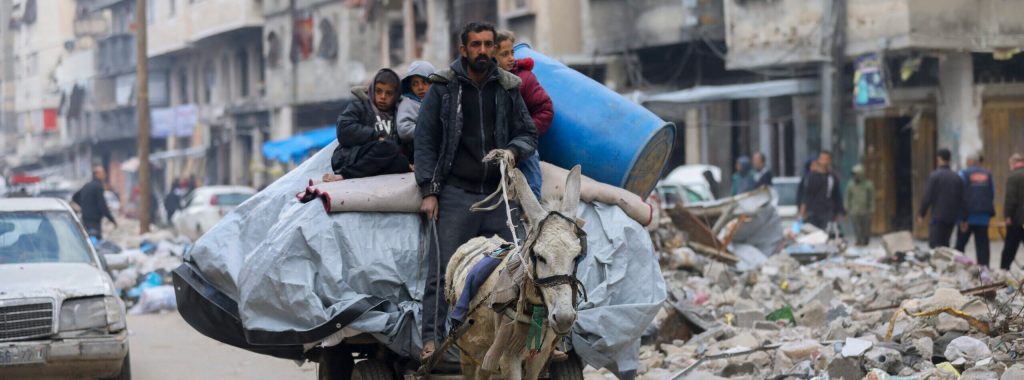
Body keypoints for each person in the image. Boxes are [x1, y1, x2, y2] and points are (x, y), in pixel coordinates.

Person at [414, 21, 538, 360]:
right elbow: (425, 142)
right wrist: (429, 191)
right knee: (442, 272)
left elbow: (528, 133)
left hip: (498, 195)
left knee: (525, 268)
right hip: (456, 194)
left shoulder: (508, 87)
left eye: (487, 44)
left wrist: (512, 150)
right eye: (475, 45)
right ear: (463, 49)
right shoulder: (443, 87)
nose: (482, 51)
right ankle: (431, 341)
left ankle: (535, 342)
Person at [495, 30, 553, 199]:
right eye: (504, 54)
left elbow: (545, 110)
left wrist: (525, 132)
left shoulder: (525, 79)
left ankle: (534, 207)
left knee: (531, 173)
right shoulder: (487, 83)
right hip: (497, 145)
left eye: (512, 53)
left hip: (521, 142)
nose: (511, 58)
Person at [324, 68, 409, 182]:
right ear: (372, 90)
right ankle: (345, 175)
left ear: (396, 95)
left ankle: (365, 171)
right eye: (378, 91)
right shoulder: (359, 107)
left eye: (388, 93)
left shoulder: (400, 113)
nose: (383, 97)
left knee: (401, 162)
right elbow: (343, 129)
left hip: (385, 159)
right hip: (354, 157)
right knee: (389, 147)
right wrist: (375, 136)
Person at [918, 148, 965, 248]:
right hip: (951, 217)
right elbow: (962, 199)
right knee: (945, 244)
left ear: (939, 159)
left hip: (937, 217)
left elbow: (927, 196)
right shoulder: (957, 177)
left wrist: (922, 213)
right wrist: (963, 218)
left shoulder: (934, 176)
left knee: (934, 245)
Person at [955, 153, 995, 267]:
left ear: (969, 161)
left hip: (967, 217)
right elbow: (992, 193)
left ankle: (958, 267)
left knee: (960, 245)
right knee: (982, 245)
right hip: (983, 217)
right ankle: (984, 269)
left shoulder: (963, 174)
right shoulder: (987, 174)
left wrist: (961, 218)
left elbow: (959, 195)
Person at [396, 60, 436, 160]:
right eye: (415, 84)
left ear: (433, 82)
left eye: (424, 82)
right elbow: (403, 130)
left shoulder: (440, 101)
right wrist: (428, 131)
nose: (420, 87)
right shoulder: (408, 104)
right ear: (410, 86)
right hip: (418, 152)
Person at [797, 151, 845, 230]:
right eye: (822, 158)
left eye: (826, 159)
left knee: (826, 234)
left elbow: (837, 196)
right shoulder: (811, 177)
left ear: (830, 161)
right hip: (812, 212)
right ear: (819, 160)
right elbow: (806, 195)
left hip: (828, 212)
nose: (824, 161)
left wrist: (840, 213)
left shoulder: (832, 177)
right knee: (814, 234)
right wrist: (801, 213)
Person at [72, 166, 117, 240]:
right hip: (94, 220)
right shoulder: (98, 187)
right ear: (97, 174)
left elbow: (75, 197)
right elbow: (102, 206)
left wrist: (84, 206)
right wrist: (112, 220)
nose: (104, 175)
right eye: (102, 173)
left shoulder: (87, 185)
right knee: (95, 239)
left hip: (85, 218)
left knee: (88, 238)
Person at [1000, 153, 1024, 270]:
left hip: (1017, 220)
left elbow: (1011, 198)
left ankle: (1004, 270)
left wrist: (1008, 216)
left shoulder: (1013, 176)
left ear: (1014, 163)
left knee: (1010, 247)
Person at [844, 164, 875, 246]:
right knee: (856, 227)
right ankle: (858, 240)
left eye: (856, 174)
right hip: (854, 210)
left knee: (866, 228)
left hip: (865, 210)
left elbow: (871, 198)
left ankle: (865, 240)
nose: (855, 176)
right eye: (854, 175)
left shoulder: (868, 184)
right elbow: (847, 197)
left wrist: (871, 209)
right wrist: (846, 209)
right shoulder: (850, 185)